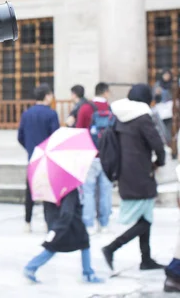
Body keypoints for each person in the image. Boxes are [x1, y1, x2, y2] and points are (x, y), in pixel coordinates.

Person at [102, 84, 166, 272]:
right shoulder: (142, 117)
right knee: (145, 221)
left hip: (125, 173)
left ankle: (146, 260)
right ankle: (111, 248)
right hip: (141, 173)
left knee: (145, 216)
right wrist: (160, 162)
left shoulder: (119, 117)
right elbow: (157, 144)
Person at [23, 189, 104, 284]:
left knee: (57, 247)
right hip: (70, 224)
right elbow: (67, 211)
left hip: (57, 221)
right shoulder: (69, 188)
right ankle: (31, 266)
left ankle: (88, 272)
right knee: (57, 246)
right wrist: (59, 228)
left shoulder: (50, 186)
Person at [18, 84, 60, 232]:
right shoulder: (51, 114)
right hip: (47, 157)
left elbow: (20, 136)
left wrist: (30, 149)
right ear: (47, 96)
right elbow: (55, 136)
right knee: (47, 191)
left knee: (30, 191)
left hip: (32, 157)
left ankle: (27, 223)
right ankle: (48, 223)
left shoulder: (26, 113)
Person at [76, 82, 113, 235]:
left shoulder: (85, 108)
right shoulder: (111, 109)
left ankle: (89, 224)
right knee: (105, 192)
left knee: (89, 191)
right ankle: (104, 224)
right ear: (105, 92)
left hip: (90, 156)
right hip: (107, 157)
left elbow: (79, 132)